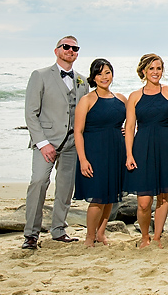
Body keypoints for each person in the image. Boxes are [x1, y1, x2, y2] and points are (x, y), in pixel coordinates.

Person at [23, 36, 90, 249]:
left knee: (65, 187)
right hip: (47, 142)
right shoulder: (40, 76)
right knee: (39, 182)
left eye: (74, 48)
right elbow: (31, 113)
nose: (70, 50)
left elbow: (86, 111)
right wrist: (42, 143)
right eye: (66, 47)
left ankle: (59, 230)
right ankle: (31, 235)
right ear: (56, 50)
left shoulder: (82, 80)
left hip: (72, 142)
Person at [123, 53, 168, 248]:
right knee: (144, 202)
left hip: (167, 148)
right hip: (142, 148)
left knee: (163, 197)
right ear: (144, 71)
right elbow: (130, 128)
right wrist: (129, 154)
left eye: (159, 68)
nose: (156, 72)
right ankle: (144, 237)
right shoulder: (135, 96)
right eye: (152, 68)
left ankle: (156, 238)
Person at [73, 58, 127, 247]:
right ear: (93, 77)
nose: (104, 77)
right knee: (97, 198)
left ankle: (101, 233)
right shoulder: (87, 100)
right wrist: (83, 159)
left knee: (110, 196)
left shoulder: (121, 99)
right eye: (99, 73)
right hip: (95, 153)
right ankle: (89, 237)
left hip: (117, 152)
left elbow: (133, 122)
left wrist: (126, 130)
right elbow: (78, 132)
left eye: (107, 72)